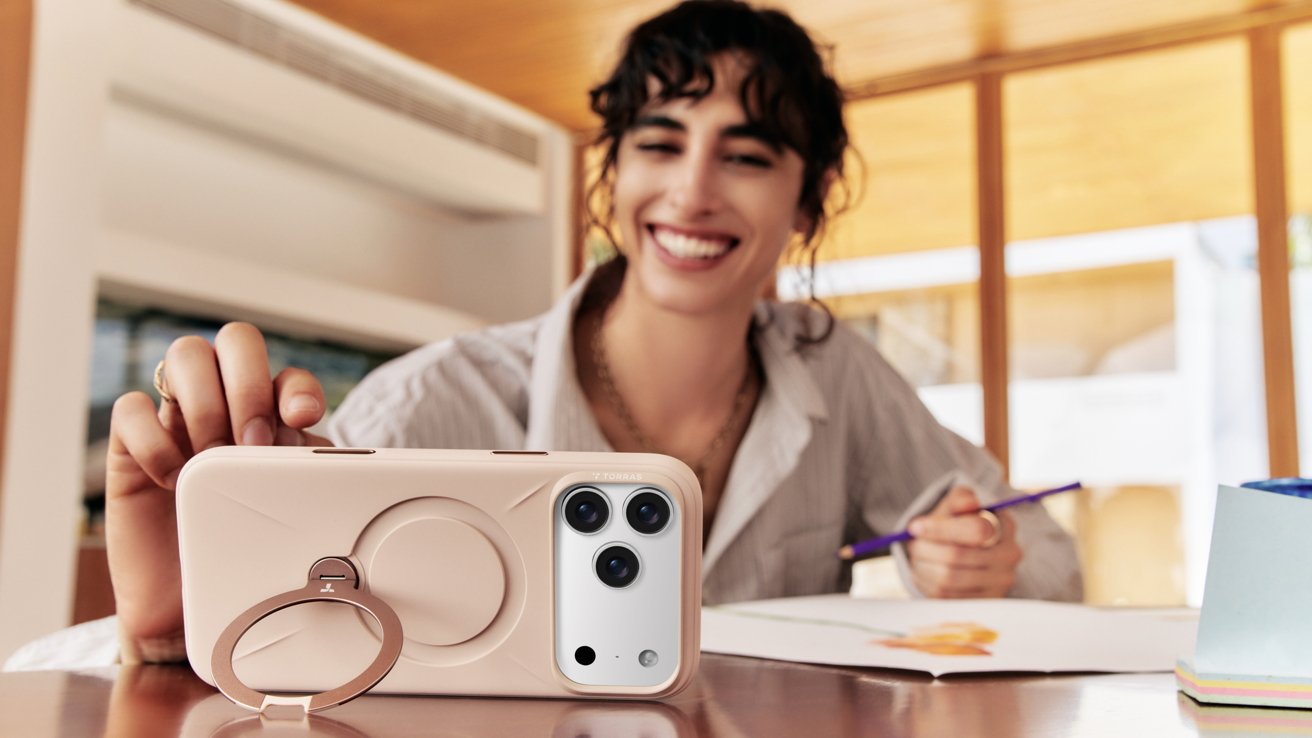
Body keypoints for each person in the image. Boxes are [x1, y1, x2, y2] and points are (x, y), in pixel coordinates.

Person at [93, 0, 1080, 666]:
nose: (691, 192)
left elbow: (1045, 553)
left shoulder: (836, 373)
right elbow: (276, 634)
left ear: (806, 205)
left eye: (745, 155)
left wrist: (990, 556)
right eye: (658, 144)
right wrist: (187, 628)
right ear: (612, 175)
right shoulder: (436, 398)